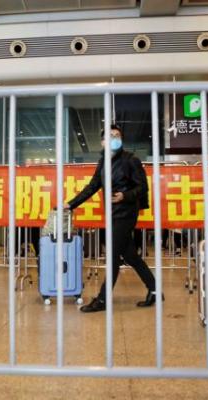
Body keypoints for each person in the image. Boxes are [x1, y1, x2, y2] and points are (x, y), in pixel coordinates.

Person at [65, 124, 159, 312]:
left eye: (117, 136)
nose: (114, 139)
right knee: (131, 256)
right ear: (102, 142)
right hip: (113, 213)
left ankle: (102, 299)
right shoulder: (103, 162)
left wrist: (125, 196)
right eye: (110, 136)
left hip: (126, 213)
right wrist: (71, 204)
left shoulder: (131, 160)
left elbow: (143, 187)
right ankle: (154, 289)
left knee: (113, 256)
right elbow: (92, 186)